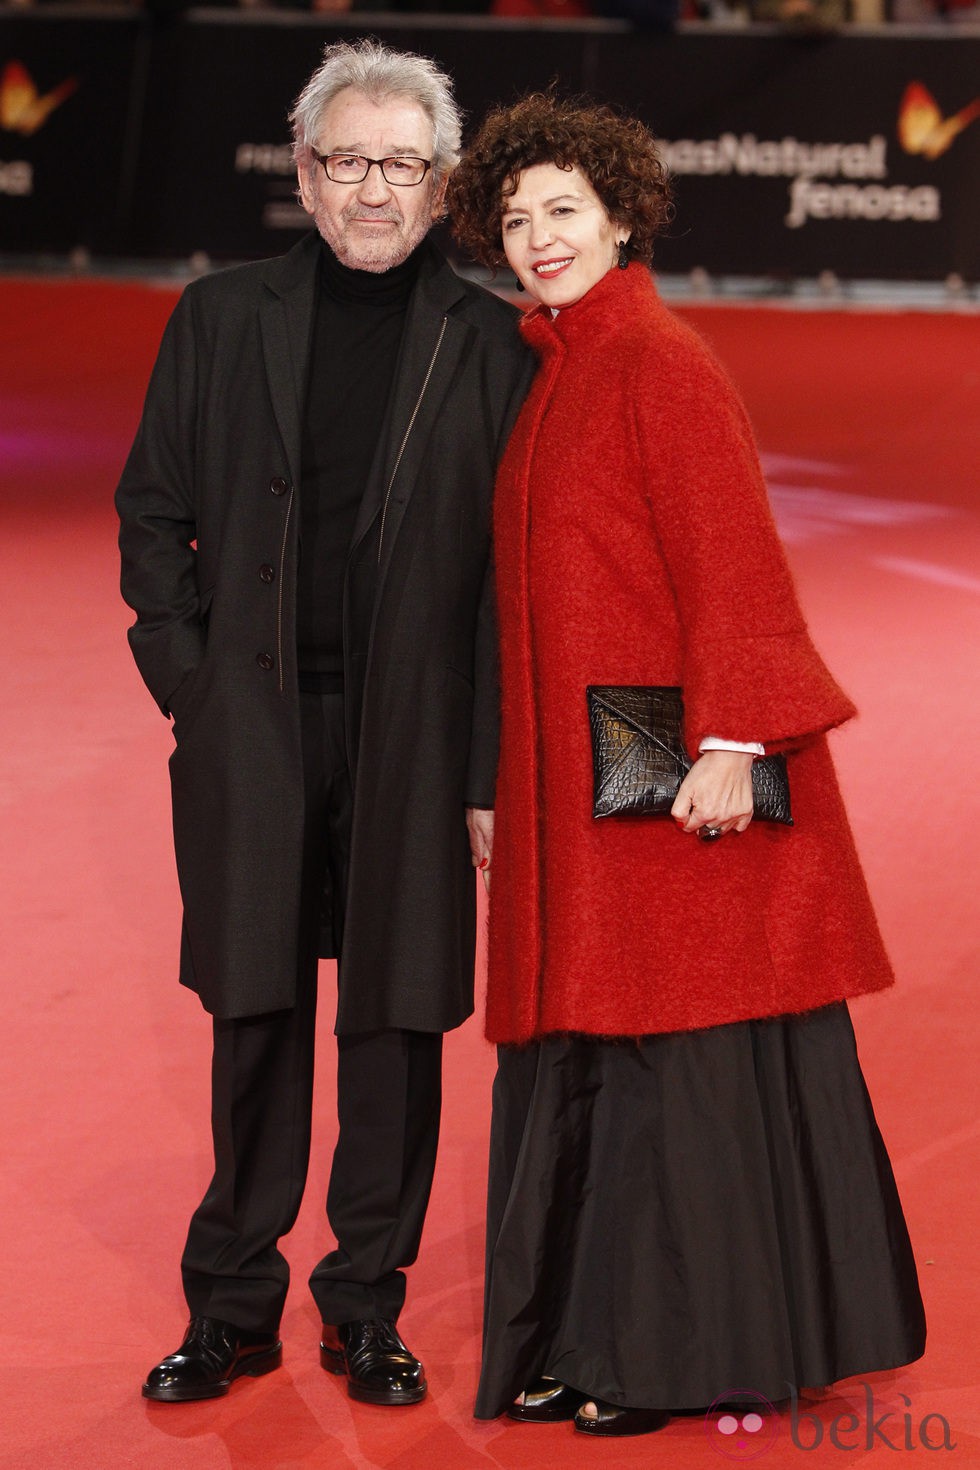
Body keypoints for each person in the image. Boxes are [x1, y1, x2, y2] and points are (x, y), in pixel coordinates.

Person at [447, 93, 926, 1438]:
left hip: (666, 789)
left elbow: (733, 560)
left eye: (564, 212)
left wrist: (731, 740)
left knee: (674, 1068)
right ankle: (579, 1335)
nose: (538, 238)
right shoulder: (561, 366)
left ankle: (661, 1354)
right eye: (518, 217)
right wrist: (500, 781)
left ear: (621, 216)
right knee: (597, 1060)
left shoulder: (659, 361)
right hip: (578, 791)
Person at [116, 38, 531, 1406]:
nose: (370, 190)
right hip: (255, 729)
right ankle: (231, 1301)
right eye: (345, 161)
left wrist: (487, 764)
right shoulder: (218, 316)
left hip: (416, 738)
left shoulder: (490, 344)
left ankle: (367, 1303)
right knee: (256, 1012)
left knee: (397, 1029)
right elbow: (151, 515)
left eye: (399, 165)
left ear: (443, 183)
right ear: (304, 172)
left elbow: (518, 578)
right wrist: (195, 687)